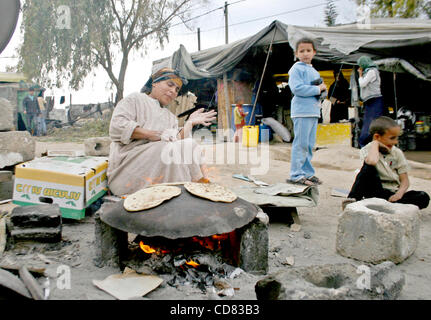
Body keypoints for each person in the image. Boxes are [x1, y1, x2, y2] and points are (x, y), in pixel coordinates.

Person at [107, 68, 217, 196]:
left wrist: (189, 123)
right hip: (127, 171)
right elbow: (116, 127)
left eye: (176, 89)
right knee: (167, 149)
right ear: (154, 83)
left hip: (156, 165)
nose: (173, 91)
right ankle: (185, 195)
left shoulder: (170, 117)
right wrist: (155, 135)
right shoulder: (135, 99)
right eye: (170, 84)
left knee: (190, 145)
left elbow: (177, 140)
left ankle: (203, 188)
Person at [344, 116, 429, 210]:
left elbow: (405, 181)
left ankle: (390, 203)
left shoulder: (396, 153)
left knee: (423, 196)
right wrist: (376, 143)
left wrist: (399, 194)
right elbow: (371, 161)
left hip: (392, 193)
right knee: (368, 168)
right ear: (377, 137)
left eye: (397, 138)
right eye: (392, 138)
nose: (395, 142)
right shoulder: (368, 149)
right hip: (375, 190)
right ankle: (352, 200)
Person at [287, 38, 326, 186]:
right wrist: (317, 89)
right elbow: (297, 88)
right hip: (301, 111)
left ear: (314, 52)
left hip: (313, 111)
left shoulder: (313, 70)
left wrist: (322, 90)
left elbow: (319, 88)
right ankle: (296, 174)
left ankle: (308, 173)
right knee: (301, 144)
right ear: (296, 53)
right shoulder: (297, 69)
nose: (305, 54)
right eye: (301, 51)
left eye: (308, 50)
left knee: (309, 145)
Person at [357, 56, 384, 147]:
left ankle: (366, 143)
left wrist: (360, 75)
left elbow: (362, 84)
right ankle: (368, 144)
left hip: (374, 101)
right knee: (368, 122)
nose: (360, 67)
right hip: (370, 101)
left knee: (371, 123)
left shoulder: (372, 71)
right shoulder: (369, 71)